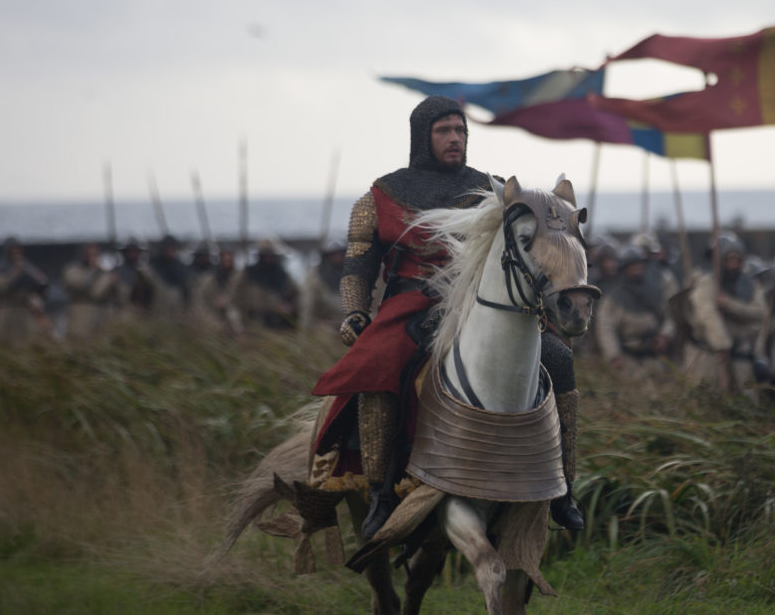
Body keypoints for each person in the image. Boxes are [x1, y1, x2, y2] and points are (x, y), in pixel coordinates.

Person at [310, 96, 587, 537]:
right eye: (444, 131)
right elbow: (358, 264)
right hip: (412, 302)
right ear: (423, 136)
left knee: (558, 358)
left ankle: (564, 488)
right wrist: (354, 312)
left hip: (486, 299)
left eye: (460, 130)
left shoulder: (493, 189)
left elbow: (531, 244)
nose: (455, 138)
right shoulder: (379, 196)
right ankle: (381, 493)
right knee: (377, 366)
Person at [683, 235, 766, 400]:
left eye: (737, 259)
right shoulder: (708, 283)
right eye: (729, 259)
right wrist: (721, 344)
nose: (733, 264)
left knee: (746, 403)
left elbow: (759, 312)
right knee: (706, 400)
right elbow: (706, 314)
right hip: (711, 355)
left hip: (741, 356)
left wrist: (730, 305)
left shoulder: (750, 285)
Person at [596, 246, 674, 381]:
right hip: (628, 360)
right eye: (632, 265)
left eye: (639, 264)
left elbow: (670, 316)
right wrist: (613, 355)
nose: (637, 268)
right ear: (625, 269)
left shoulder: (655, 292)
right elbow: (605, 327)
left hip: (654, 357)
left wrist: (664, 336)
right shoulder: (613, 299)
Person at [0, 237, 49, 344]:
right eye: (13, 251)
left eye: (18, 251)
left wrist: (38, 282)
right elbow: (2, 286)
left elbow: (37, 291)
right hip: (3, 314)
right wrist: (16, 272)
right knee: (2, 345)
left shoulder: (26, 268)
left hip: (23, 315)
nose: (16, 254)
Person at [238, 238, 299, 330]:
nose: (268, 259)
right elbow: (238, 297)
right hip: (254, 324)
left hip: (280, 324)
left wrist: (291, 307)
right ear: (260, 256)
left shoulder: (283, 275)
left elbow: (298, 295)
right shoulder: (248, 274)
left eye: (271, 256)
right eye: (265, 256)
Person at [63, 242, 117, 341]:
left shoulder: (105, 273)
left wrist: (110, 276)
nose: (93, 258)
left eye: (95, 255)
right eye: (89, 255)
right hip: (80, 319)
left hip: (101, 318)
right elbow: (86, 287)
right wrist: (96, 271)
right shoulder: (73, 270)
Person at [191, 249, 244, 335]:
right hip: (214, 327)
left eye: (229, 260)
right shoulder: (208, 281)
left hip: (237, 327)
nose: (227, 262)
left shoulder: (240, 280)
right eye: (224, 260)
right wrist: (215, 325)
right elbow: (200, 305)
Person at [299, 241, 346, 336]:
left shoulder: (353, 275)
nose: (338, 258)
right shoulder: (315, 277)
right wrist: (305, 330)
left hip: (350, 326)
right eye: (334, 254)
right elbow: (308, 305)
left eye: (341, 254)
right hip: (326, 326)